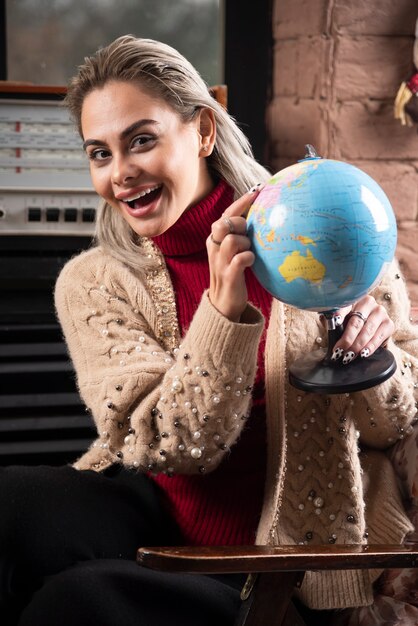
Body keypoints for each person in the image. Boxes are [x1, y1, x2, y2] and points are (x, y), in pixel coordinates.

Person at [1, 34, 418, 626]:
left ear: (202, 132)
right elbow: (168, 448)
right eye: (100, 152)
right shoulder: (94, 282)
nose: (120, 173)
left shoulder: (331, 233)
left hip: (273, 559)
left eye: (141, 140)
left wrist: (375, 360)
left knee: (75, 604)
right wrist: (224, 313)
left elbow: (397, 423)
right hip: (155, 510)